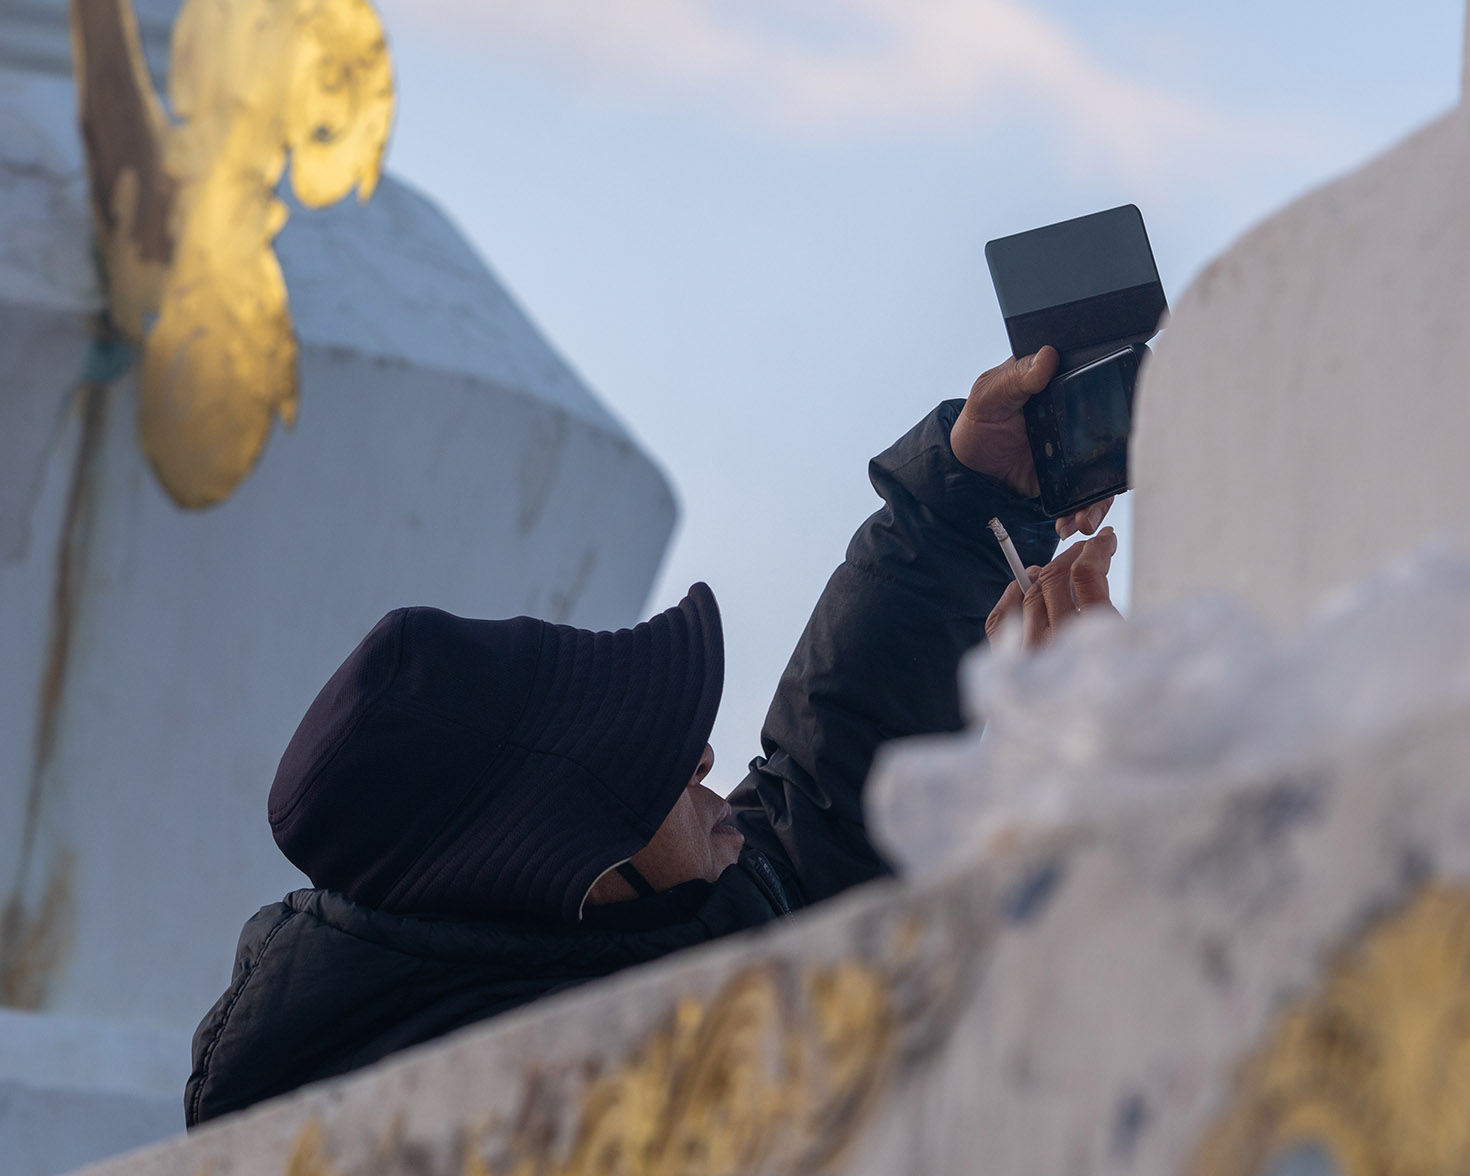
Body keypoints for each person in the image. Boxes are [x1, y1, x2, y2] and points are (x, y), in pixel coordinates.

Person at [183, 347, 1121, 1126]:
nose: (700, 757)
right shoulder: (568, 1116)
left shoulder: (607, 955)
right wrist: (1070, 793)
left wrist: (958, 507)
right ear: (572, 871)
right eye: (641, 761)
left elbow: (818, 817)